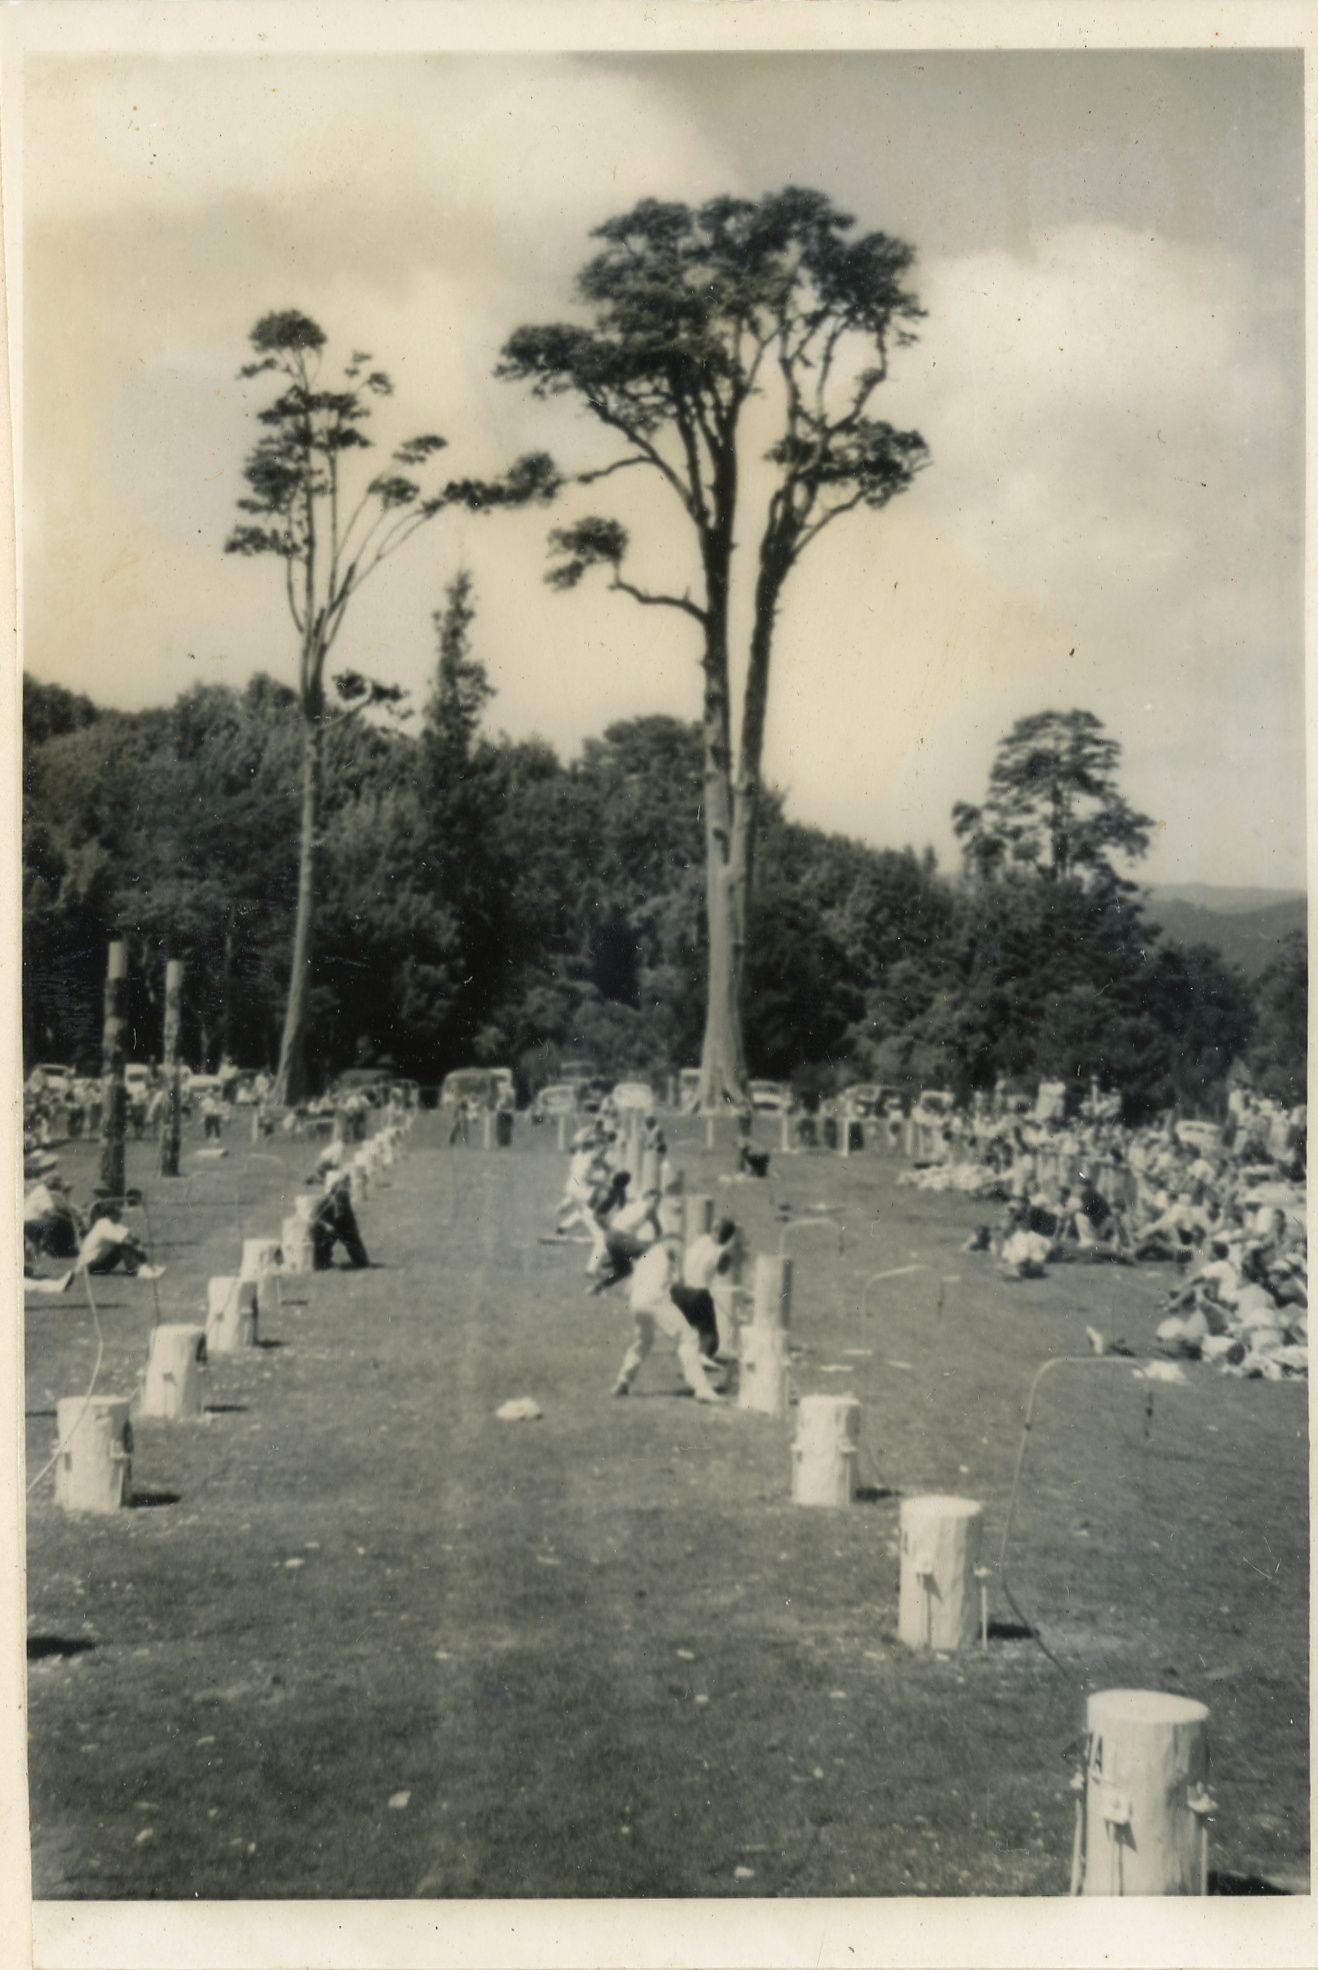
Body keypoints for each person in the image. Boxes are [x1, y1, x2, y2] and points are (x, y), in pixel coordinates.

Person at [611, 1236, 725, 1403]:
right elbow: (679, 1280)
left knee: (644, 1341)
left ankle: (623, 1381)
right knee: (689, 1338)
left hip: (636, 1301)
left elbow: (628, 1288)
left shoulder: (646, 1257)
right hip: (655, 1298)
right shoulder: (673, 1245)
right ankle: (702, 1388)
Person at [673, 1217, 741, 1359]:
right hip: (698, 1293)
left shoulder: (701, 1240)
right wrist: (732, 1252)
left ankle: (690, 1355)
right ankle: (701, 1358)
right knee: (710, 1335)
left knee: (690, 1328)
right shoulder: (722, 1252)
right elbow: (722, 1271)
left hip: (678, 1290)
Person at [77, 1210, 164, 1279]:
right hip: (87, 1266)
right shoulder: (103, 1224)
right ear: (110, 1214)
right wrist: (136, 1246)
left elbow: (131, 1236)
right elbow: (125, 1241)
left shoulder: (113, 1224)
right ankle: (138, 1270)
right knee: (122, 1244)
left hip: (95, 1264)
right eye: (117, 1212)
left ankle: (146, 1267)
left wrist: (136, 1243)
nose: (120, 1214)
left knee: (128, 1243)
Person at [309, 1172, 370, 1269]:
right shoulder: (333, 1198)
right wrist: (327, 1225)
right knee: (325, 1235)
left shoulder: (340, 1197)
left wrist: (352, 1228)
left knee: (361, 1259)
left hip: (334, 1227)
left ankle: (359, 1259)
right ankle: (322, 1262)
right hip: (324, 1229)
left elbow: (347, 1215)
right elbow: (315, 1217)